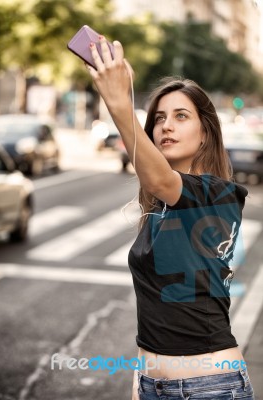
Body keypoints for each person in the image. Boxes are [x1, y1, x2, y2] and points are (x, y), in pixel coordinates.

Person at [86, 37, 255, 400]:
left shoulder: (218, 193)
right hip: (152, 385)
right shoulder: (160, 207)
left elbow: (160, 179)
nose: (166, 126)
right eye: (159, 118)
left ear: (205, 132)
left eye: (181, 116)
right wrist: (139, 382)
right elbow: (155, 312)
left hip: (210, 386)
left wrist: (117, 99)